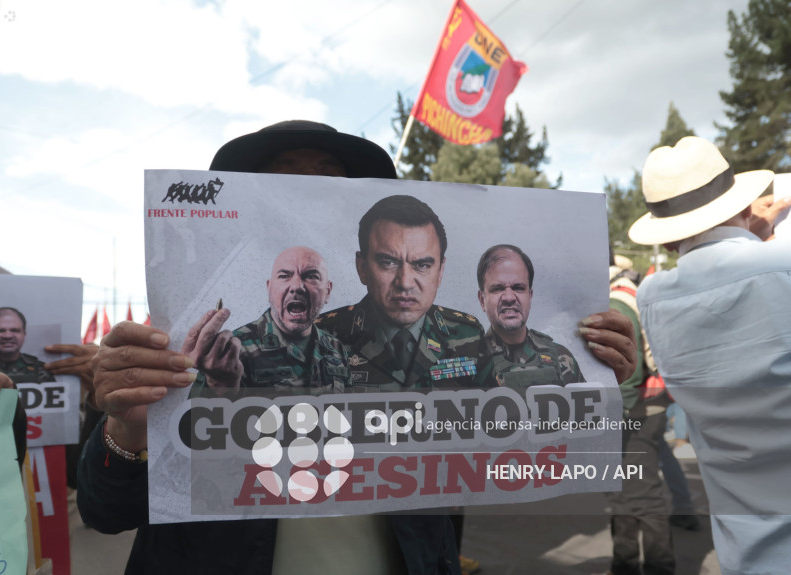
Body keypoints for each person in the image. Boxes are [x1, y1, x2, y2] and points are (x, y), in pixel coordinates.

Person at [78, 120, 639, 575]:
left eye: (330, 181)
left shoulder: (456, 338)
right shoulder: (199, 347)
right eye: (286, 183)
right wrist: (127, 430)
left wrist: (594, 370)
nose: (312, 193)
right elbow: (106, 509)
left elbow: (524, 435)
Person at [628, 135, 791, 575]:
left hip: (745, 551)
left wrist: (745, 234)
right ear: (742, 205)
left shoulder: (652, 296)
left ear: (666, 238)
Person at [316, 194, 485, 390]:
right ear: (362, 268)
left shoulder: (469, 336)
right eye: (388, 263)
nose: (405, 283)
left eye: (422, 265)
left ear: (440, 271)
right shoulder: (320, 339)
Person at [187, 246, 350, 396]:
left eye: (311, 276)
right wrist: (220, 387)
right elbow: (192, 424)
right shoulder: (231, 351)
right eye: (284, 276)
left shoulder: (335, 348)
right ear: (269, 289)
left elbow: (349, 413)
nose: (297, 286)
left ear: (328, 291)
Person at [607, 250, 674, 575]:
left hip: (635, 409)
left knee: (641, 495)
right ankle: (626, 564)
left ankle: (654, 566)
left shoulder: (615, 301)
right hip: (643, 404)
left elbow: (627, 374)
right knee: (627, 493)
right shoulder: (622, 292)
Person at [474, 244, 584, 389]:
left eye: (518, 288)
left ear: (529, 296)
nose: (509, 297)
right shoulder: (471, 361)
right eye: (498, 289)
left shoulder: (560, 358)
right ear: (482, 300)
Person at [0, 307, 56, 384]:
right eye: (0, 331)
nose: (8, 336)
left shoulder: (40, 369)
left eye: (15, 330)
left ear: (24, 334)